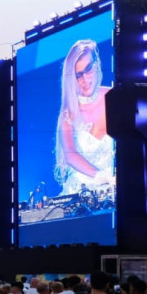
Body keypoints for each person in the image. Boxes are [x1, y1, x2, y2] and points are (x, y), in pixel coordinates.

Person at [55, 39, 114, 195]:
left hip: (116, 188)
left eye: (88, 69)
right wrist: (101, 176)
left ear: (97, 64)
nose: (85, 79)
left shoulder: (114, 97)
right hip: (80, 192)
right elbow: (70, 155)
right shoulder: (68, 115)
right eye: (78, 75)